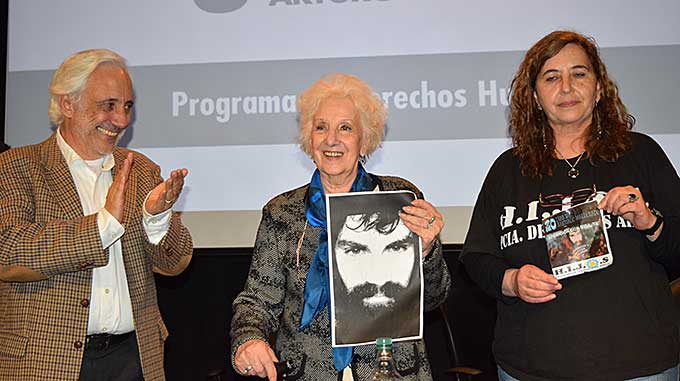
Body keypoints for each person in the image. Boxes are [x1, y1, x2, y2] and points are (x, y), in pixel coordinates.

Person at [460, 30, 680, 380]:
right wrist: (512, 281)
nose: (566, 87)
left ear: (599, 89)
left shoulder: (641, 155)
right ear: (534, 96)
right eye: (551, 77)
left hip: (640, 365)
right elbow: (476, 256)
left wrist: (649, 221)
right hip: (531, 368)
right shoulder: (508, 169)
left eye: (578, 74)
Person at [230, 73, 451, 381]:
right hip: (308, 373)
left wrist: (427, 251)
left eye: (345, 128)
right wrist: (248, 340)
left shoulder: (399, 200)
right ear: (310, 138)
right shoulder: (282, 214)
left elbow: (432, 299)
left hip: (392, 372)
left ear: (365, 139)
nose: (331, 139)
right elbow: (257, 302)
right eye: (321, 127)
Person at [0, 49, 194, 380]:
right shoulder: (18, 166)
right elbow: (9, 252)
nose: (121, 120)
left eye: (127, 106)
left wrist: (156, 219)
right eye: (108, 105)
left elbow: (176, 262)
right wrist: (103, 226)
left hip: (133, 360)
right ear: (67, 104)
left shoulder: (141, 170)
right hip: (46, 362)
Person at [329, 192, 421, 345]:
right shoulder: (285, 213)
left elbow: (433, 298)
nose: (378, 278)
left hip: (400, 361)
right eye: (355, 251)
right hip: (311, 363)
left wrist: (428, 250)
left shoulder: (403, 195)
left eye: (396, 247)